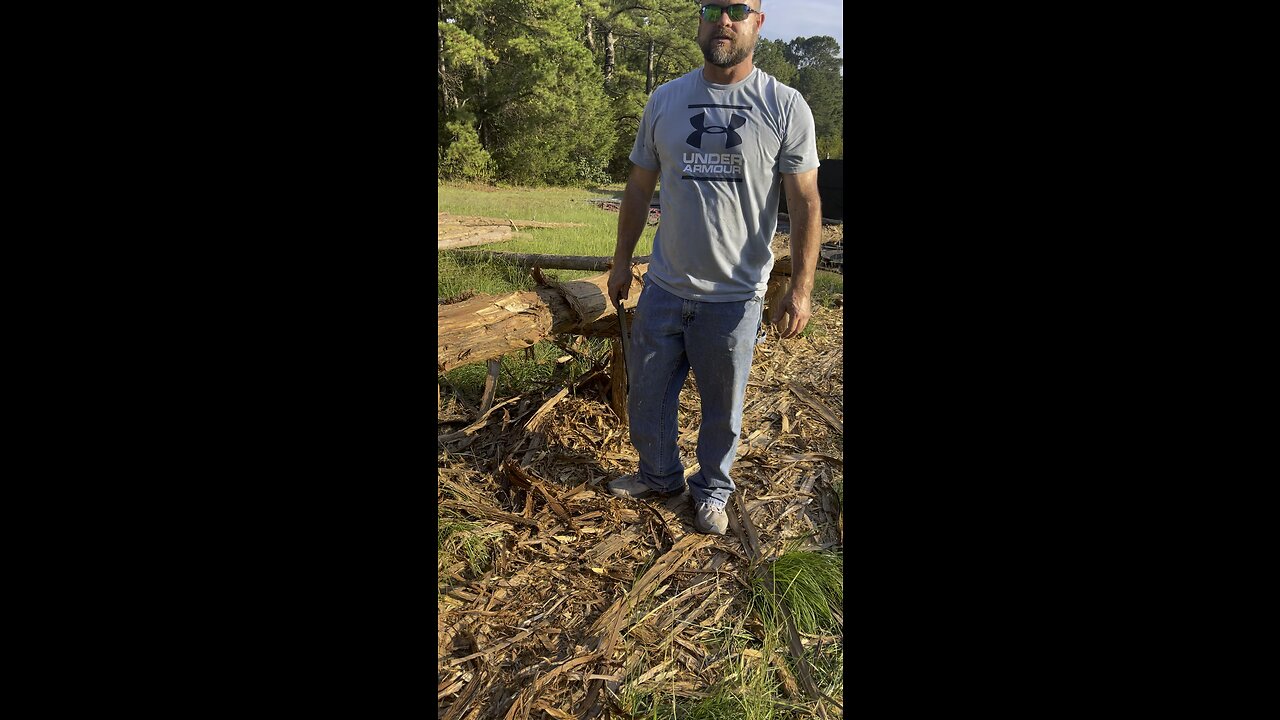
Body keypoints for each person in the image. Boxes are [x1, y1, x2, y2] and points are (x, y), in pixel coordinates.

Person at [605, 0, 823, 535]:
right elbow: (637, 188)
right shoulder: (666, 99)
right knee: (648, 397)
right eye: (711, 9)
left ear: (757, 23)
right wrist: (619, 263)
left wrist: (801, 287)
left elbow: (807, 203)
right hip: (663, 285)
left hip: (735, 296)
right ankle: (658, 476)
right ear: (699, 21)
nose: (723, 20)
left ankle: (712, 490)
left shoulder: (784, 105)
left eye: (736, 9)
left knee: (721, 411)